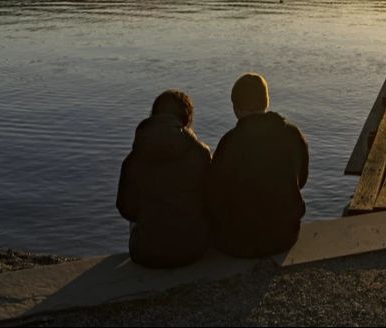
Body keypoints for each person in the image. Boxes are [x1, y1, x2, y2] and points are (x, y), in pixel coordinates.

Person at [209, 73, 309, 258]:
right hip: (285, 236)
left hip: (238, 242)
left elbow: (215, 193)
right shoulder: (293, 135)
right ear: (266, 102)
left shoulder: (229, 142)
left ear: (235, 107)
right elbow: (301, 181)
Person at [116, 90, 212, 268]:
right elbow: (211, 201)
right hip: (193, 249)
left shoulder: (134, 157)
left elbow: (126, 208)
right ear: (186, 119)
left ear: (154, 116)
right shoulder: (201, 154)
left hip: (146, 253)